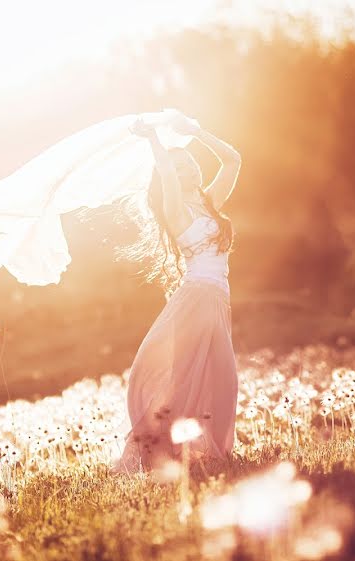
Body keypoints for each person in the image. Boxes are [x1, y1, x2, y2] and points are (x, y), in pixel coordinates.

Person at [112, 112, 242, 474]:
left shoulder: (211, 203)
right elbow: (167, 176)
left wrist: (197, 132)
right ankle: (156, 452)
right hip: (196, 300)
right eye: (178, 167)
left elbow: (233, 159)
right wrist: (155, 140)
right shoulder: (176, 208)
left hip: (217, 303)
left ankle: (206, 451)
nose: (187, 171)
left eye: (190, 164)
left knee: (222, 382)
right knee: (187, 382)